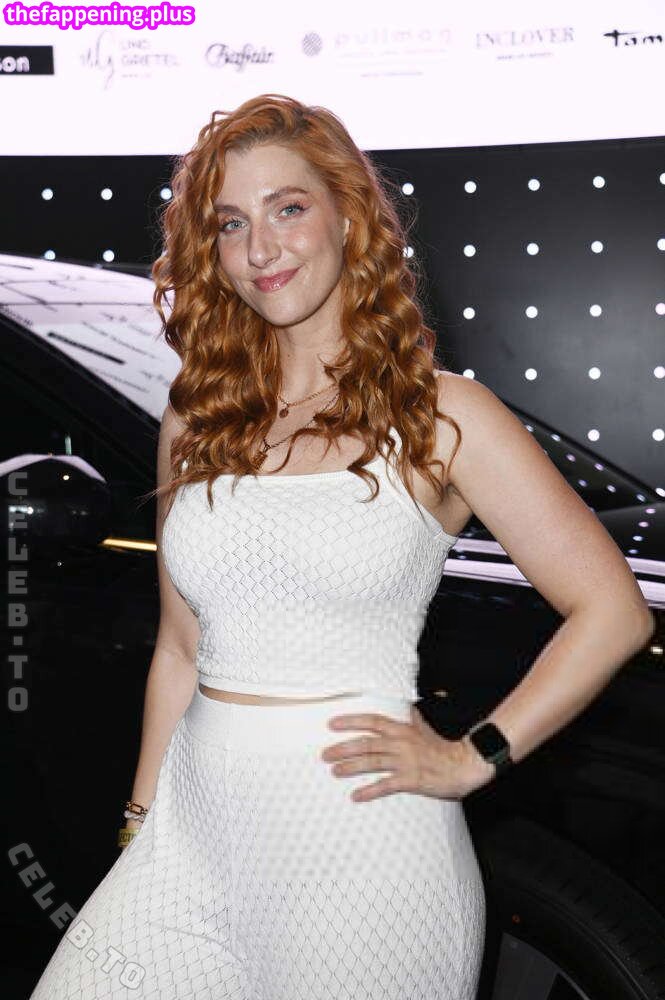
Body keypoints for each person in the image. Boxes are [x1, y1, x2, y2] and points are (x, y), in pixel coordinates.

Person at [29, 93, 655, 1000]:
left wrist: (471, 756)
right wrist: (139, 820)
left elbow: (612, 611)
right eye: (231, 223)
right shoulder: (195, 419)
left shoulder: (442, 415)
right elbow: (179, 649)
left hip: (360, 848)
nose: (261, 248)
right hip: (189, 841)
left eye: (288, 208)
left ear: (349, 218)